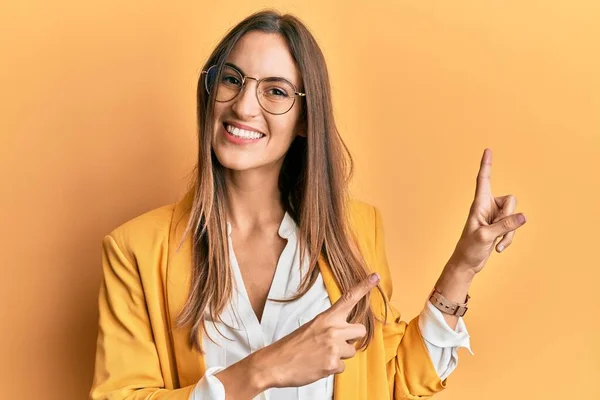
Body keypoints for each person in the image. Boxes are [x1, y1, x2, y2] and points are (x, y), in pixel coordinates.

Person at [89, 9, 527, 400]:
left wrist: (463, 266)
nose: (243, 106)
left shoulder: (355, 230)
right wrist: (263, 370)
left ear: (304, 120)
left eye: (276, 92)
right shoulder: (136, 249)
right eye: (231, 78)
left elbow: (393, 382)